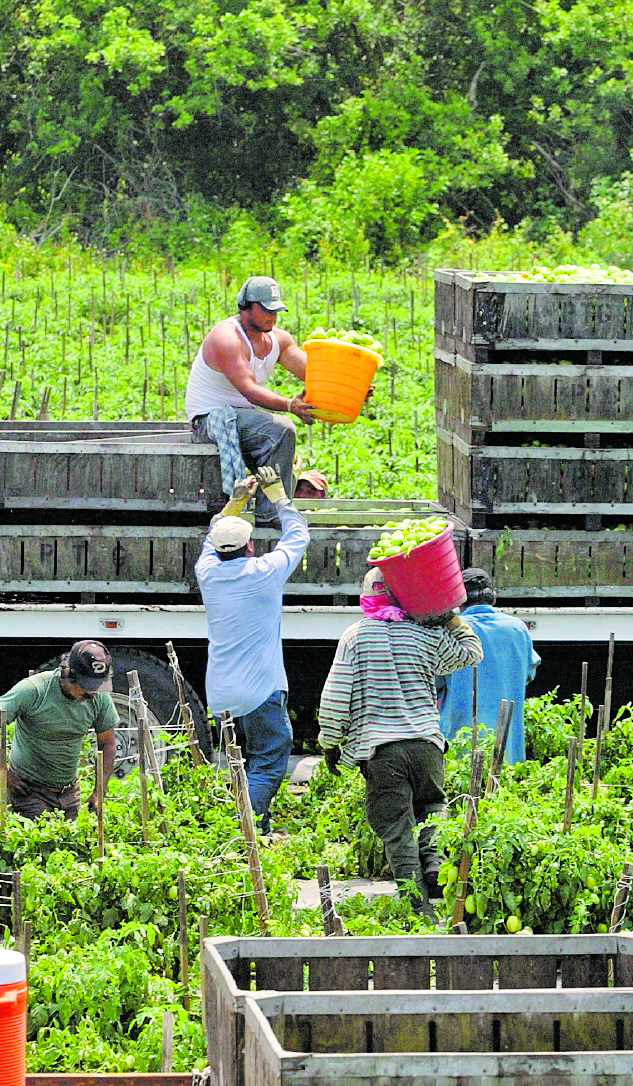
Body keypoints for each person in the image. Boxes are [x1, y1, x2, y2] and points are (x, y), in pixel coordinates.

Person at [318, 570, 483, 914]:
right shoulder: (425, 635)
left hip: (383, 752)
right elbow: (471, 652)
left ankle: (416, 904)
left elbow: (335, 698)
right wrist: (449, 616)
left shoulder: (355, 636)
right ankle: (433, 863)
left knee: (396, 828)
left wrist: (331, 744)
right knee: (432, 806)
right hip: (427, 745)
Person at [196, 465, 310, 836]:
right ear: (250, 546)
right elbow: (298, 536)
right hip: (258, 690)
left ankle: (257, 828)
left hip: (221, 692)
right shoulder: (265, 571)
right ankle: (241, 829)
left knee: (241, 762)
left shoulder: (207, 572)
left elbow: (210, 539)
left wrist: (236, 501)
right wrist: (277, 494)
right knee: (271, 759)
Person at [185, 275, 315, 525]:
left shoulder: (279, 339)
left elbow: (314, 374)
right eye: (266, 310)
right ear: (246, 307)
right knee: (280, 430)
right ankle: (271, 514)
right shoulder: (226, 338)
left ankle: (275, 504)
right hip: (210, 420)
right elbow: (250, 389)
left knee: (275, 432)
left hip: (243, 418)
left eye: (276, 310)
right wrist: (290, 405)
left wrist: (354, 386)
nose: (273, 316)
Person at [0, 641, 118, 821]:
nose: (93, 692)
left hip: (70, 794)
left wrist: (99, 791)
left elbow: (107, 744)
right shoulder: (34, 690)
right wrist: (4, 772)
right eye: (88, 685)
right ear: (69, 675)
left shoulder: (98, 697)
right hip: (30, 792)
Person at [437, 569, 540, 765]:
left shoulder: (451, 630)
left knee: (459, 792)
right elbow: (529, 673)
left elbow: (434, 681)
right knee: (502, 791)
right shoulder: (517, 628)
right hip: (507, 747)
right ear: (492, 599)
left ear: (459, 602)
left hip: (459, 748)